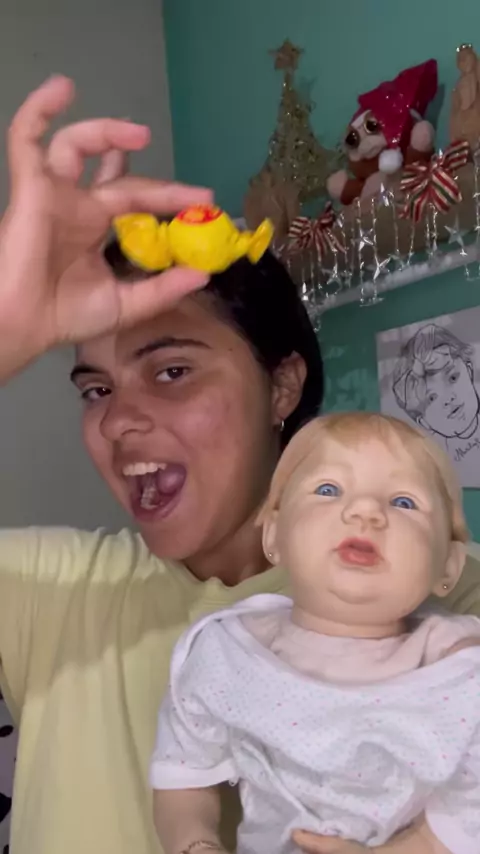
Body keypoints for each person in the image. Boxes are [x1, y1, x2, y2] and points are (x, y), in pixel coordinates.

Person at [0, 75, 478, 854]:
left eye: (172, 370)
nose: (116, 421)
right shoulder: (47, 598)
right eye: (95, 389)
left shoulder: (446, 594)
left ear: (281, 385)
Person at [151, 412, 480, 854]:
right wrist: (195, 844)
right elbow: (181, 776)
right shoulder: (228, 654)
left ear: (449, 567)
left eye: (403, 502)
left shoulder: (460, 672)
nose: (365, 511)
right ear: (274, 535)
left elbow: (467, 816)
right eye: (328, 490)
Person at [392, 323, 480, 483]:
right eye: (431, 398)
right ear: (423, 422)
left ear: (469, 370)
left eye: (453, 378)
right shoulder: (435, 464)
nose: (449, 398)